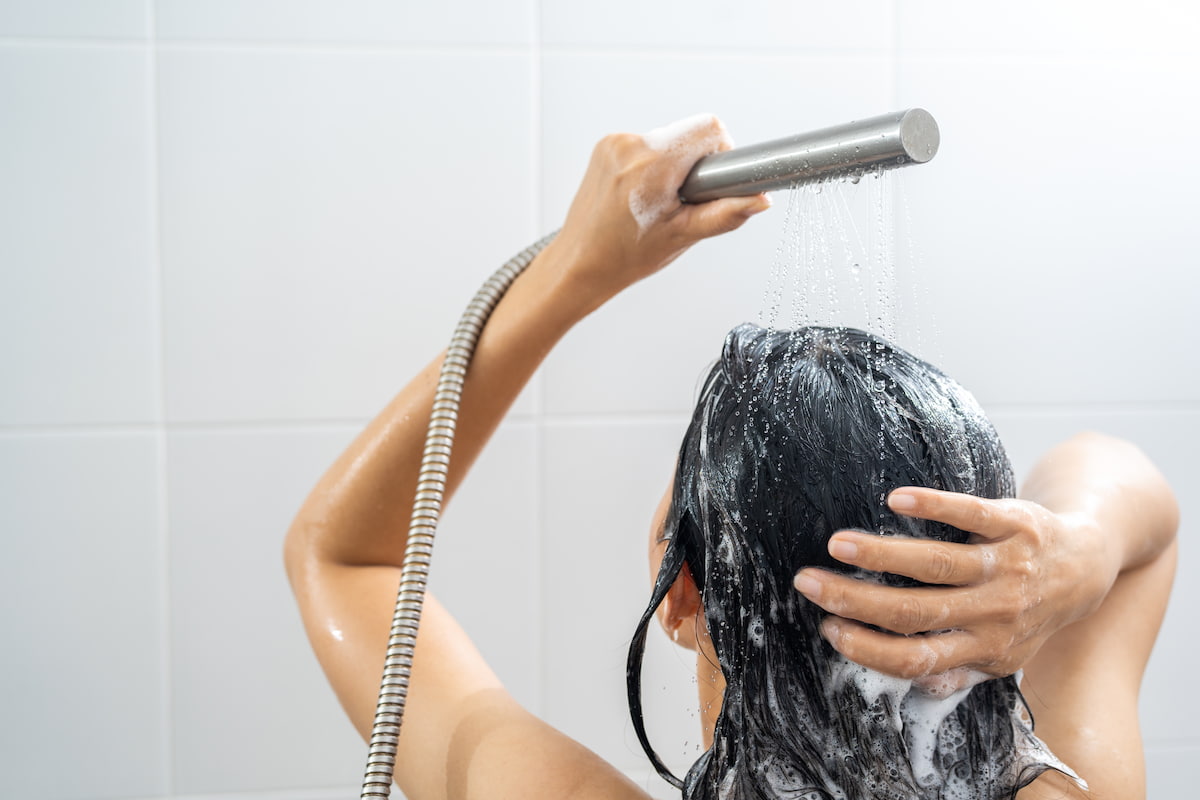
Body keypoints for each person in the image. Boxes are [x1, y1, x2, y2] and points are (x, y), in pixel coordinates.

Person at [284, 116, 1179, 800]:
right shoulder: (1075, 783)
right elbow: (1123, 491)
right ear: (1002, 591)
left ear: (678, 592)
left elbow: (345, 559)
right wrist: (1082, 553)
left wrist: (573, 271)